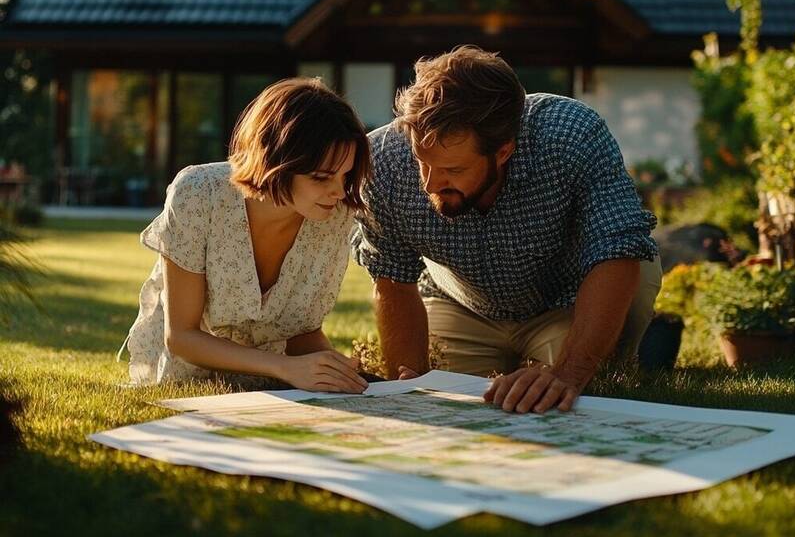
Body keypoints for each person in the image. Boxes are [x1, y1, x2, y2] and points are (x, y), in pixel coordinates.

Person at [351, 45, 662, 414]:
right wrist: (412, 386)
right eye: (423, 161)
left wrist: (567, 373)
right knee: (450, 404)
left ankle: (618, 357)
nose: (431, 183)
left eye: (454, 170)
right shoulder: (383, 160)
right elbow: (392, 278)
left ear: (502, 152)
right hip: (458, 302)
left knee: (580, 386)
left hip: (566, 301)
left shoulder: (571, 135)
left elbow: (617, 249)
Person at [120, 78, 370, 394]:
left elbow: (302, 333)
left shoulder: (333, 214)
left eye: (346, 175)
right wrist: (285, 368)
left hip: (274, 386)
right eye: (321, 177)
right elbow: (181, 336)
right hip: (185, 380)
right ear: (277, 162)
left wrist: (347, 375)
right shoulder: (198, 194)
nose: (338, 191)